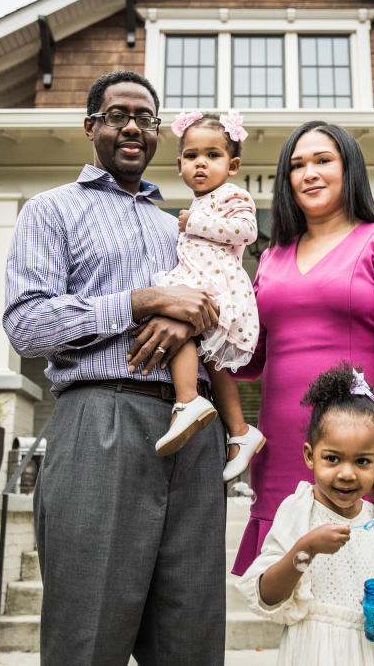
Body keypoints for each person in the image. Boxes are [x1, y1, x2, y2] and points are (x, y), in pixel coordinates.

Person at [3, 70, 226, 666]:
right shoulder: (51, 211)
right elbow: (26, 327)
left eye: (146, 119)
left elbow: (217, 307)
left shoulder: (178, 225)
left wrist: (188, 317)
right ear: (91, 126)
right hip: (99, 417)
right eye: (117, 115)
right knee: (89, 630)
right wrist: (139, 301)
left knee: (192, 630)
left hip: (193, 430)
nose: (132, 127)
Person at [224, 121, 374, 655]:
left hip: (360, 446)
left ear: (349, 167)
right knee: (302, 600)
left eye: (322, 160)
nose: (308, 173)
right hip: (286, 450)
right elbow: (245, 354)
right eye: (296, 165)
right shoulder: (273, 257)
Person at [237, 363, 374, 666]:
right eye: (332, 458)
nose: (347, 473)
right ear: (311, 456)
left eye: (362, 461)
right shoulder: (299, 509)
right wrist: (306, 548)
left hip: (364, 654)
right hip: (312, 654)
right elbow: (266, 595)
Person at [149, 109, 266, 481]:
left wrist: (193, 223)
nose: (201, 163)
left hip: (217, 289)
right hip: (199, 284)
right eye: (192, 155)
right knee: (214, 364)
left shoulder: (232, 194)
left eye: (213, 156)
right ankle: (241, 432)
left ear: (232, 166)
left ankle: (187, 401)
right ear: (179, 164)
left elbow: (246, 231)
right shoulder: (199, 202)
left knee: (175, 323)